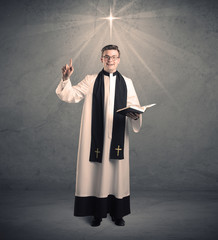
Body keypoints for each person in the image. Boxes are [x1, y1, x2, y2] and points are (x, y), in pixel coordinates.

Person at [56, 45, 142, 227]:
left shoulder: (127, 82)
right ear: (101, 59)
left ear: (119, 59)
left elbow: (134, 106)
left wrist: (136, 114)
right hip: (95, 138)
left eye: (114, 57)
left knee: (117, 174)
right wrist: (65, 79)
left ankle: (118, 213)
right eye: (106, 57)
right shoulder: (91, 80)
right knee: (95, 174)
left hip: (117, 136)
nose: (110, 60)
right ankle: (97, 213)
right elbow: (71, 95)